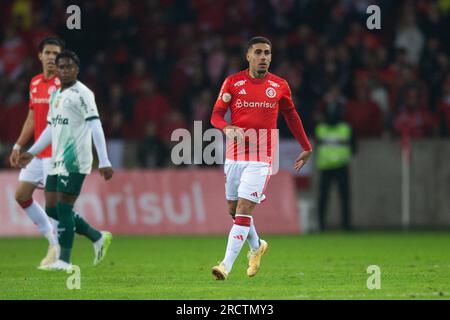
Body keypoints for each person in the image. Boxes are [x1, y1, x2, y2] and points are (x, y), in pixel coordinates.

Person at [210, 36, 312, 280]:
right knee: (234, 210)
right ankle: (257, 247)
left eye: (267, 53)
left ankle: (225, 265)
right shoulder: (232, 83)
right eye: (258, 52)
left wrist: (306, 146)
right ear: (248, 56)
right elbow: (215, 115)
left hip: (261, 157)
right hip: (234, 156)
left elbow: (292, 115)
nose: (263, 57)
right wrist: (226, 128)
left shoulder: (279, 85)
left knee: (244, 209)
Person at [19, 50, 114, 271]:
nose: (64, 70)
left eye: (69, 66)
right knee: (52, 209)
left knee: (63, 207)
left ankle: (64, 261)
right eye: (61, 67)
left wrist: (104, 160)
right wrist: (32, 152)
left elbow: (95, 125)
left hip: (76, 160)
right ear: (57, 70)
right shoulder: (56, 95)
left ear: (77, 69)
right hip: (56, 159)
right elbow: (51, 129)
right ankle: (97, 236)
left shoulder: (83, 94)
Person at [9, 36, 64, 267]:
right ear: (40, 56)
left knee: (54, 204)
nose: (52, 57)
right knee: (21, 195)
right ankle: (54, 241)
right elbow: (32, 117)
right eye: (48, 53)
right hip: (36, 153)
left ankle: (58, 250)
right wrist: (18, 145)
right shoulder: (34, 83)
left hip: (57, 152)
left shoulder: (63, 85)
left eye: (56, 54)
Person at [315, 100, 356, 231]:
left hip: (333, 166)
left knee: (327, 197)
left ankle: (323, 225)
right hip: (335, 166)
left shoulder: (320, 128)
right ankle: (345, 225)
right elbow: (354, 149)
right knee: (341, 197)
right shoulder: (345, 128)